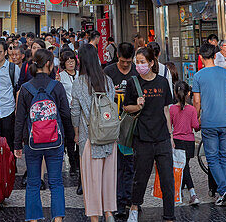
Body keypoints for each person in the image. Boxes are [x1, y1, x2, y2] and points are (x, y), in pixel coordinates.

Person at [14, 48, 71, 222]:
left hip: (32, 142)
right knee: (56, 182)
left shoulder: (25, 88)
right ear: (48, 64)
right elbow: (66, 114)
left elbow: (20, 119)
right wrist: (68, 141)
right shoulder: (57, 86)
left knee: (33, 182)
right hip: (55, 141)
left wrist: (17, 144)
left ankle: (33, 219)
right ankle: (58, 219)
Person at [123, 46, 175, 222]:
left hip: (162, 137)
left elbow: (166, 109)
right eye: (137, 62)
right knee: (140, 177)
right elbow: (126, 108)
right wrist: (137, 106)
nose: (139, 65)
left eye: (142, 62)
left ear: (152, 63)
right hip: (142, 137)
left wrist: (171, 135)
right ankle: (134, 206)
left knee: (168, 179)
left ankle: (169, 215)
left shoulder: (162, 82)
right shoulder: (133, 83)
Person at [71, 45, 118, 222]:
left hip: (89, 137)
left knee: (92, 180)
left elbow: (75, 112)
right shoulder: (107, 80)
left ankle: (94, 217)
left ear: (81, 60)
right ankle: (109, 213)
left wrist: (76, 133)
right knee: (108, 177)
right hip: (109, 136)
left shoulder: (79, 82)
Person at [192, 42, 226, 206]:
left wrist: (196, 117)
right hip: (224, 121)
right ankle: (224, 191)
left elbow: (197, 102)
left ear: (201, 57)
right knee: (224, 157)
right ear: (214, 55)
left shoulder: (198, 76)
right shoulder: (225, 73)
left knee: (212, 158)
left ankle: (224, 191)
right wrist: (224, 105)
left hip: (208, 122)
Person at [104, 42, 136, 219]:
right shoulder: (108, 72)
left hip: (131, 127)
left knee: (130, 165)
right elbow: (99, 95)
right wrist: (112, 94)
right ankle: (117, 202)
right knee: (115, 167)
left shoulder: (136, 72)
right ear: (117, 56)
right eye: (123, 61)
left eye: (128, 62)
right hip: (111, 127)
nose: (125, 65)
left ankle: (131, 200)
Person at [169, 80, 200, 206]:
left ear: (175, 94)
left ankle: (188, 193)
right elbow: (195, 126)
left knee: (182, 167)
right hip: (190, 142)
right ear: (188, 93)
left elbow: (169, 125)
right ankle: (187, 192)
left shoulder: (171, 109)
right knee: (185, 166)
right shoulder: (192, 109)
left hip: (177, 141)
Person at [0, 39, 21, 140]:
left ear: (5, 52)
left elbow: (17, 86)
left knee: (8, 141)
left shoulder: (13, 69)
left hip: (8, 109)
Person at [56, 49, 80, 189]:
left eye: (72, 60)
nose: (70, 62)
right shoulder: (61, 76)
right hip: (67, 112)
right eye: (68, 60)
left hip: (80, 111)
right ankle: (72, 162)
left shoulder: (80, 75)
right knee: (71, 138)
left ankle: (78, 158)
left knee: (81, 137)